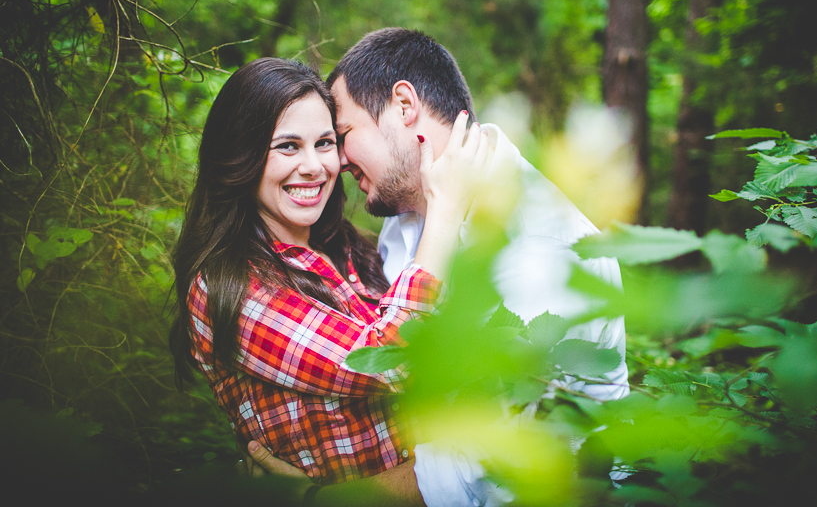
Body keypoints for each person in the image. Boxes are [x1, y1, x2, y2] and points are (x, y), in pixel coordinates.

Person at [246, 29, 629, 506]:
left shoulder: (540, 251)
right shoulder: (409, 211)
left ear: (404, 106)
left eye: (342, 136)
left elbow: (474, 473)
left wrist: (314, 499)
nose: (337, 161)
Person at [169, 58, 493, 484]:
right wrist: (445, 209)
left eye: (325, 143)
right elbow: (391, 360)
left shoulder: (350, 247)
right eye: (288, 146)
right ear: (241, 155)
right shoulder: (228, 284)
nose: (315, 166)